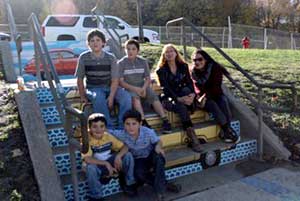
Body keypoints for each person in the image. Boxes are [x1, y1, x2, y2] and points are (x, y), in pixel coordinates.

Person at [109, 109, 179, 201]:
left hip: (150, 156)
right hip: (139, 160)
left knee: (159, 157)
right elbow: (106, 131)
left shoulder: (148, 132)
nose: (131, 127)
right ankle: (166, 185)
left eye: (134, 124)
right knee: (139, 174)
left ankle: (160, 192)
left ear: (140, 124)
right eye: (127, 124)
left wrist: (158, 147)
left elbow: (158, 141)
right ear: (124, 124)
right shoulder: (122, 134)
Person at [75, 29, 131, 129]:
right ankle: (108, 127)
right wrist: (83, 96)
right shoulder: (83, 57)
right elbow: (80, 79)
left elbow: (115, 80)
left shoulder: (111, 58)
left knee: (126, 97)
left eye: (98, 40)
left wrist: (111, 97)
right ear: (88, 44)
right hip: (93, 88)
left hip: (110, 87)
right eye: (92, 41)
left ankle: (123, 126)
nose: (95, 43)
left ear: (103, 43)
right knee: (98, 97)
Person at [118, 39, 172, 133]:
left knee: (153, 95)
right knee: (135, 98)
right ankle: (143, 121)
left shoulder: (143, 61)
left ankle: (165, 120)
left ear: (137, 51)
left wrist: (143, 88)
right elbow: (121, 82)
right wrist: (136, 89)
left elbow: (147, 78)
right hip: (129, 88)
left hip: (142, 86)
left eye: (133, 49)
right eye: (128, 49)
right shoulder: (121, 63)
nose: (130, 51)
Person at [156, 44, 202, 153]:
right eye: (167, 52)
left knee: (187, 90)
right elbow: (166, 89)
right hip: (169, 98)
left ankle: (190, 104)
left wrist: (193, 95)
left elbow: (190, 83)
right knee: (181, 107)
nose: (169, 53)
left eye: (171, 51)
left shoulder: (183, 66)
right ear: (164, 55)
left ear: (176, 53)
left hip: (184, 95)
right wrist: (179, 99)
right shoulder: (161, 71)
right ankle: (193, 137)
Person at [83, 113, 136, 201]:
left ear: (105, 127)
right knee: (90, 168)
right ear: (89, 128)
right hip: (98, 166)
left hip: (110, 162)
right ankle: (96, 196)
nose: (99, 129)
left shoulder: (108, 136)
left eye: (102, 126)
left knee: (128, 155)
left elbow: (125, 146)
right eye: (94, 126)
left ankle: (129, 183)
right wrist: (105, 163)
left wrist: (118, 156)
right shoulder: (87, 139)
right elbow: (87, 159)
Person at [191, 49, 240, 143]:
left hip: (215, 94)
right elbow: (197, 88)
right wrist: (202, 97)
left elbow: (216, 87)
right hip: (203, 99)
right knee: (212, 104)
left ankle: (226, 131)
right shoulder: (193, 72)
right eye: (194, 60)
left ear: (206, 59)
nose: (197, 62)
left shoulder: (215, 68)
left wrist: (205, 96)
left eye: (200, 59)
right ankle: (227, 131)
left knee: (223, 102)